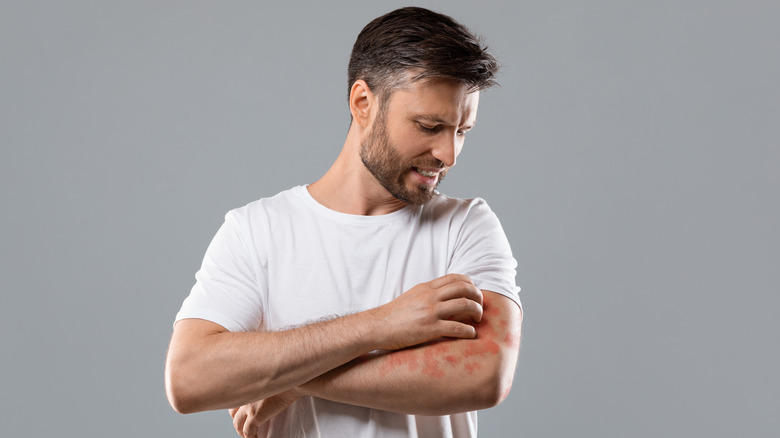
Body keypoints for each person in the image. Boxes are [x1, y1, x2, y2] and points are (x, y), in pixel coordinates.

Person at [165, 6, 523, 438]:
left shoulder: (466, 226)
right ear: (363, 103)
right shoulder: (257, 231)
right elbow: (189, 379)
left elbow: (483, 376)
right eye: (430, 126)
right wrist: (380, 324)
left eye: (462, 131)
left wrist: (289, 380)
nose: (448, 153)